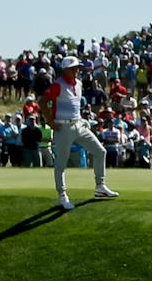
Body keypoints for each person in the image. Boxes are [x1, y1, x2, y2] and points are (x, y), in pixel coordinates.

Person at [40, 57, 117, 210]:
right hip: (63, 128)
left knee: (100, 151)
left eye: (77, 68)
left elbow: (75, 106)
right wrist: (50, 122)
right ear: (66, 70)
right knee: (61, 164)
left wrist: (82, 120)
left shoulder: (79, 84)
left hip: (79, 125)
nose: (77, 70)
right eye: (74, 68)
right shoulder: (57, 85)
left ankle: (100, 186)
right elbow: (42, 102)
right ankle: (62, 195)